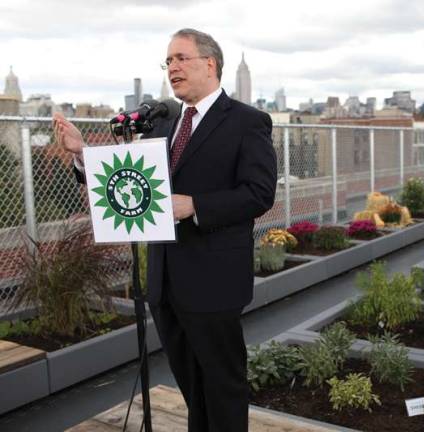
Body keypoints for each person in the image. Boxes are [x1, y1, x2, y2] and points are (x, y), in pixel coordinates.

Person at [54, 28, 278, 432]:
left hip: (214, 280)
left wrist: (195, 206)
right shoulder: (164, 124)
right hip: (164, 281)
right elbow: (126, 180)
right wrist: (82, 154)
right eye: (168, 61)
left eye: (180, 58)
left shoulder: (247, 122)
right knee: (191, 384)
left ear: (210, 64)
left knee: (222, 384)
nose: (172, 67)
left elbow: (260, 193)